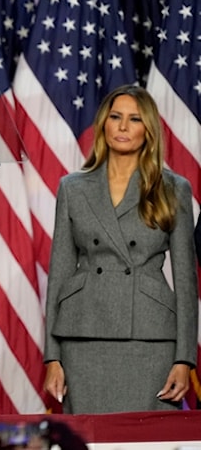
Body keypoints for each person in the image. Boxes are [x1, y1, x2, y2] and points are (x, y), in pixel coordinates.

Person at [43, 85, 198, 413]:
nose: (123, 126)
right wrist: (53, 355)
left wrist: (185, 358)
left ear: (149, 130)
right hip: (82, 335)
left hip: (150, 337)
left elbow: (186, 284)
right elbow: (59, 273)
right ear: (104, 124)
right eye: (116, 117)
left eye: (134, 119)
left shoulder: (173, 189)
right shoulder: (72, 188)